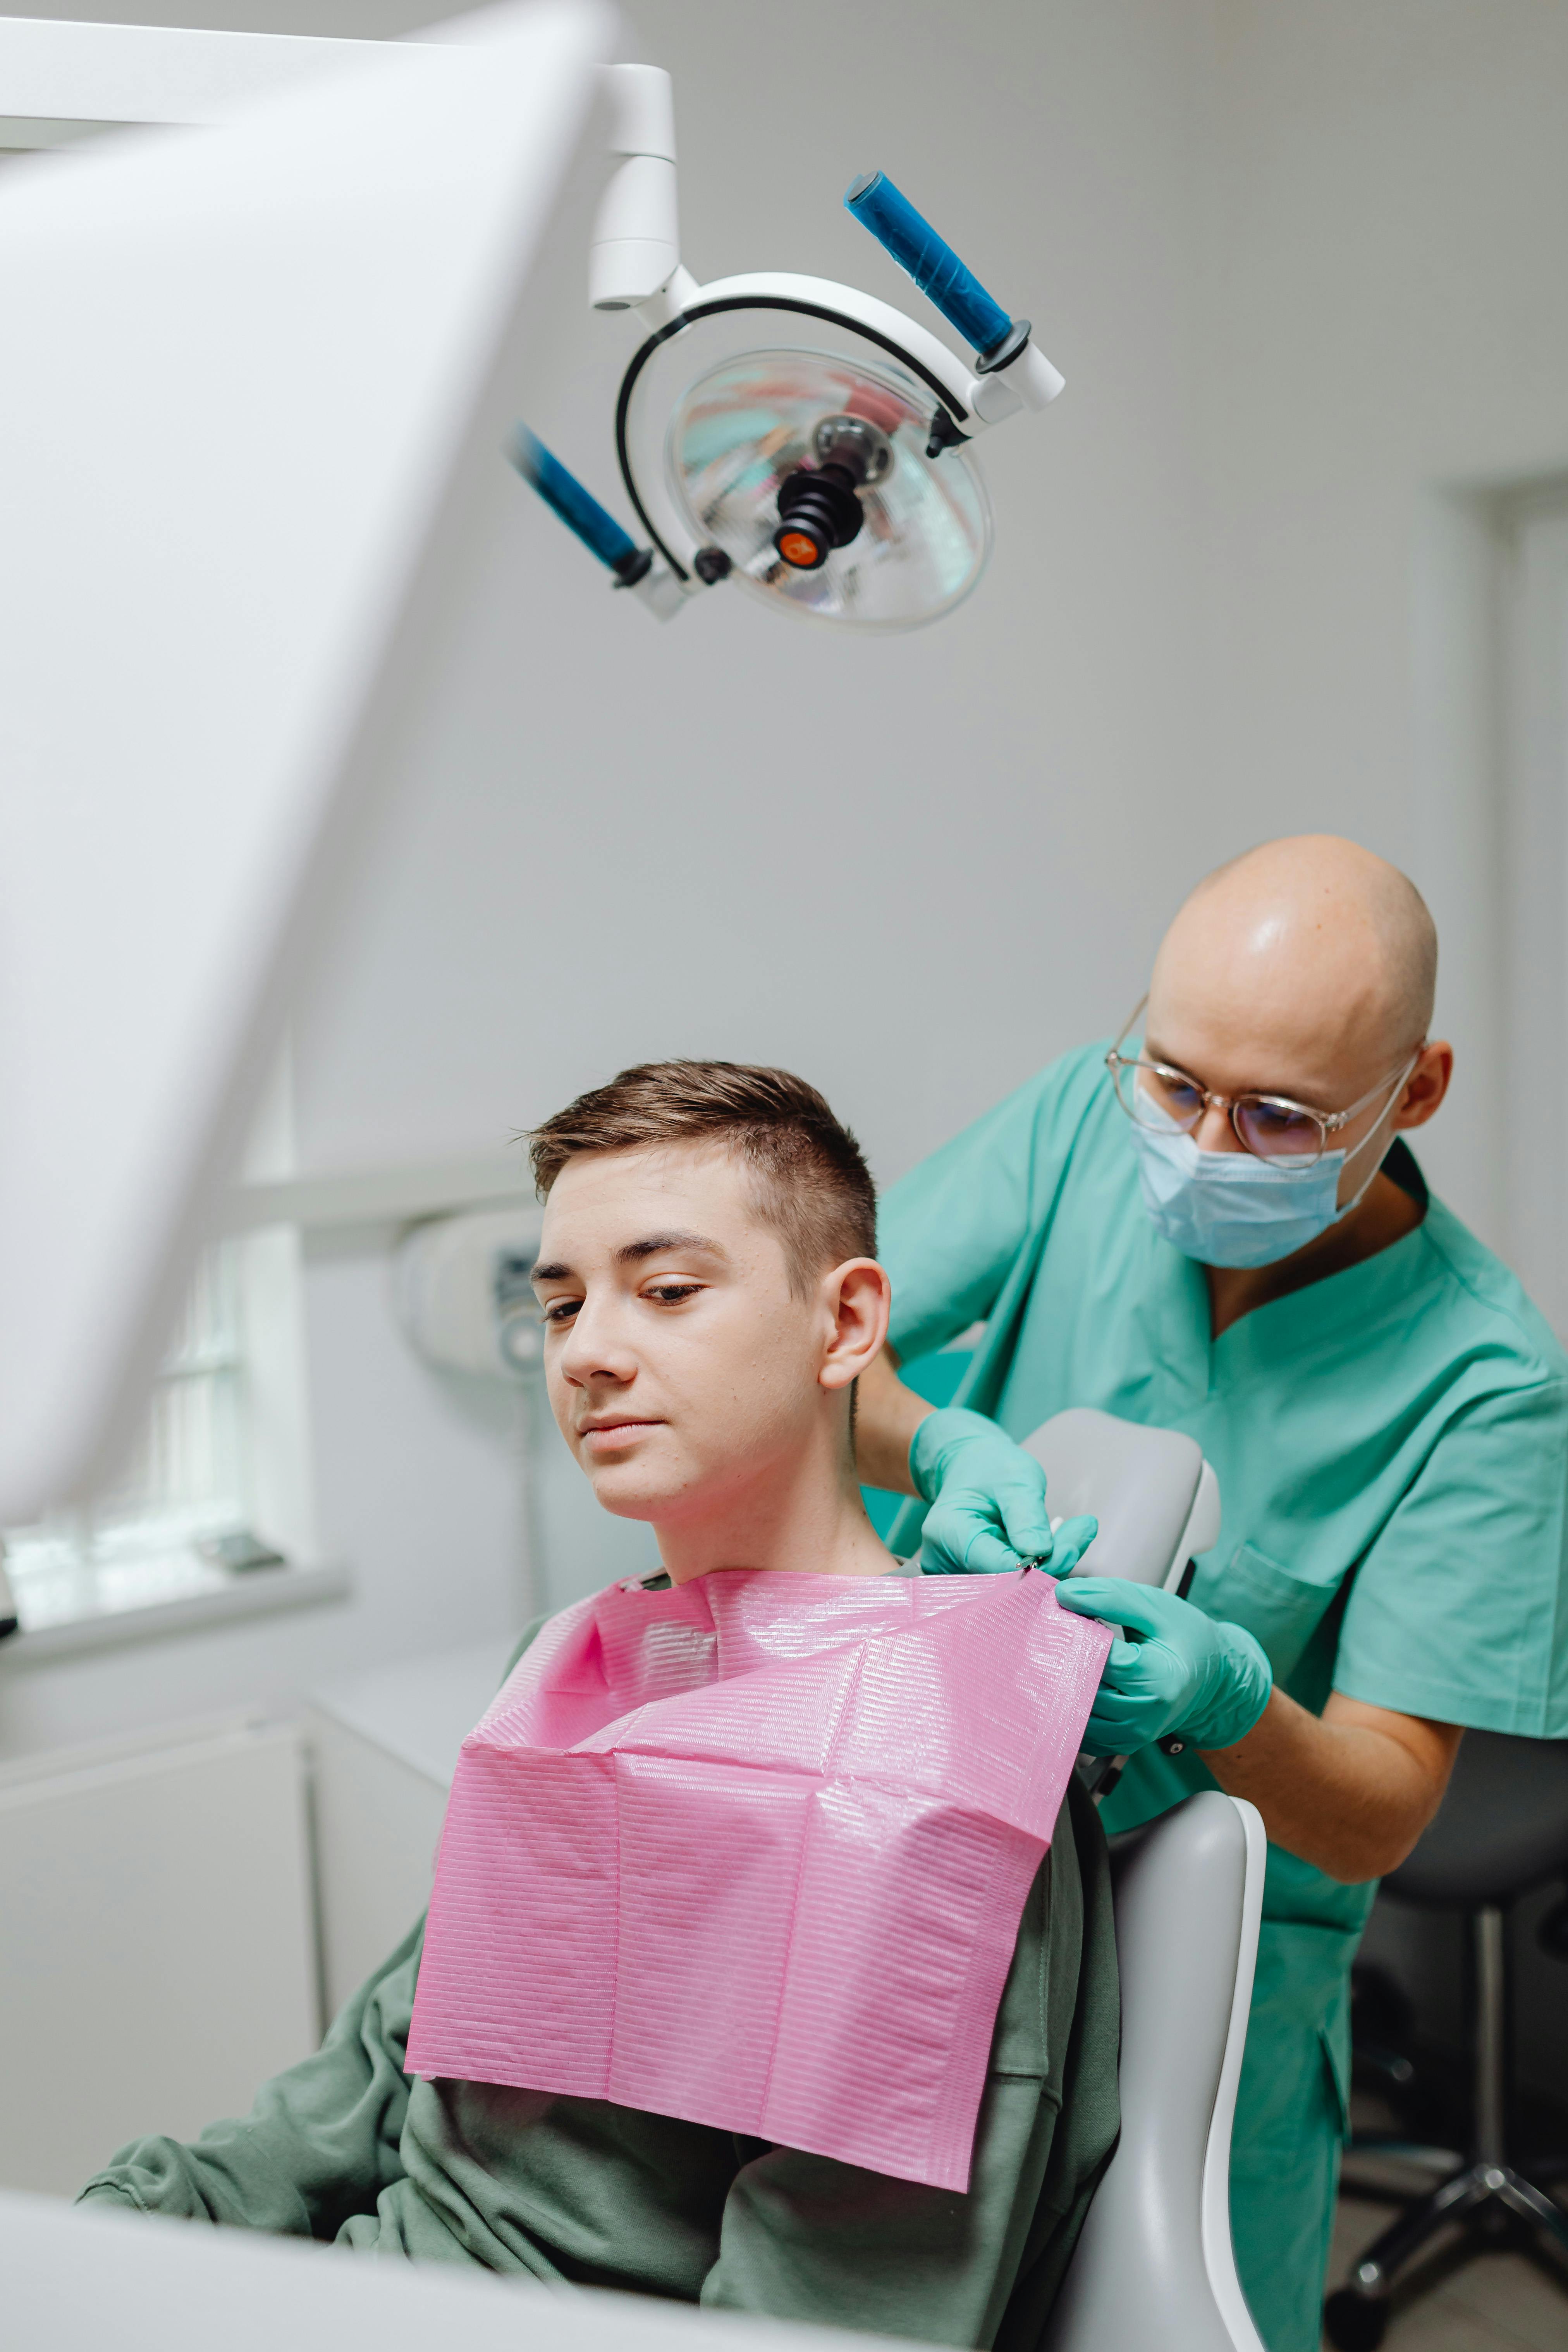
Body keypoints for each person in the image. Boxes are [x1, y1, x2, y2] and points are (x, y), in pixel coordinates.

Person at [80, 1062, 1119, 2349]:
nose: (588, 1353)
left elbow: (827, 2318)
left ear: (845, 1324)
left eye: (667, 1291)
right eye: (563, 1304)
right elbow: (377, 2074)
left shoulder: (926, 1783)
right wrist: (122, 2228)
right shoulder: (581, 1667)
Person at [854, 834, 1568, 2352]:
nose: (1199, 1144)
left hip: (1197, 1982)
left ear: (1415, 1091)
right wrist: (939, 1444)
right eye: (1174, 1083)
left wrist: (1229, 1696)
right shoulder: (1072, 1125)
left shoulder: (1486, 1386)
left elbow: (1379, 1808)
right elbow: (809, 1350)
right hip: (921, 1874)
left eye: (1278, 1117)